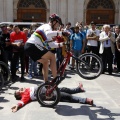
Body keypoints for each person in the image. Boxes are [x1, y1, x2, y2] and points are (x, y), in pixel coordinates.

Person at [24, 14, 66, 82]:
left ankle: (46, 82)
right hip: (32, 45)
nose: (58, 25)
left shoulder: (49, 30)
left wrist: (61, 44)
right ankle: (55, 78)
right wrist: (61, 33)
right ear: (54, 21)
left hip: (29, 47)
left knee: (46, 62)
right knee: (52, 56)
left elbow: (50, 45)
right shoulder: (47, 26)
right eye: (58, 23)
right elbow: (48, 33)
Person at [11, 83, 93, 112]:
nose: (21, 89)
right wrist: (17, 106)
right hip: (48, 94)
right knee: (66, 96)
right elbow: (22, 102)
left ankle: (79, 89)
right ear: (20, 95)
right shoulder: (25, 96)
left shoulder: (27, 89)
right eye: (19, 91)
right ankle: (86, 100)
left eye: (19, 89)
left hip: (49, 88)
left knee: (64, 89)